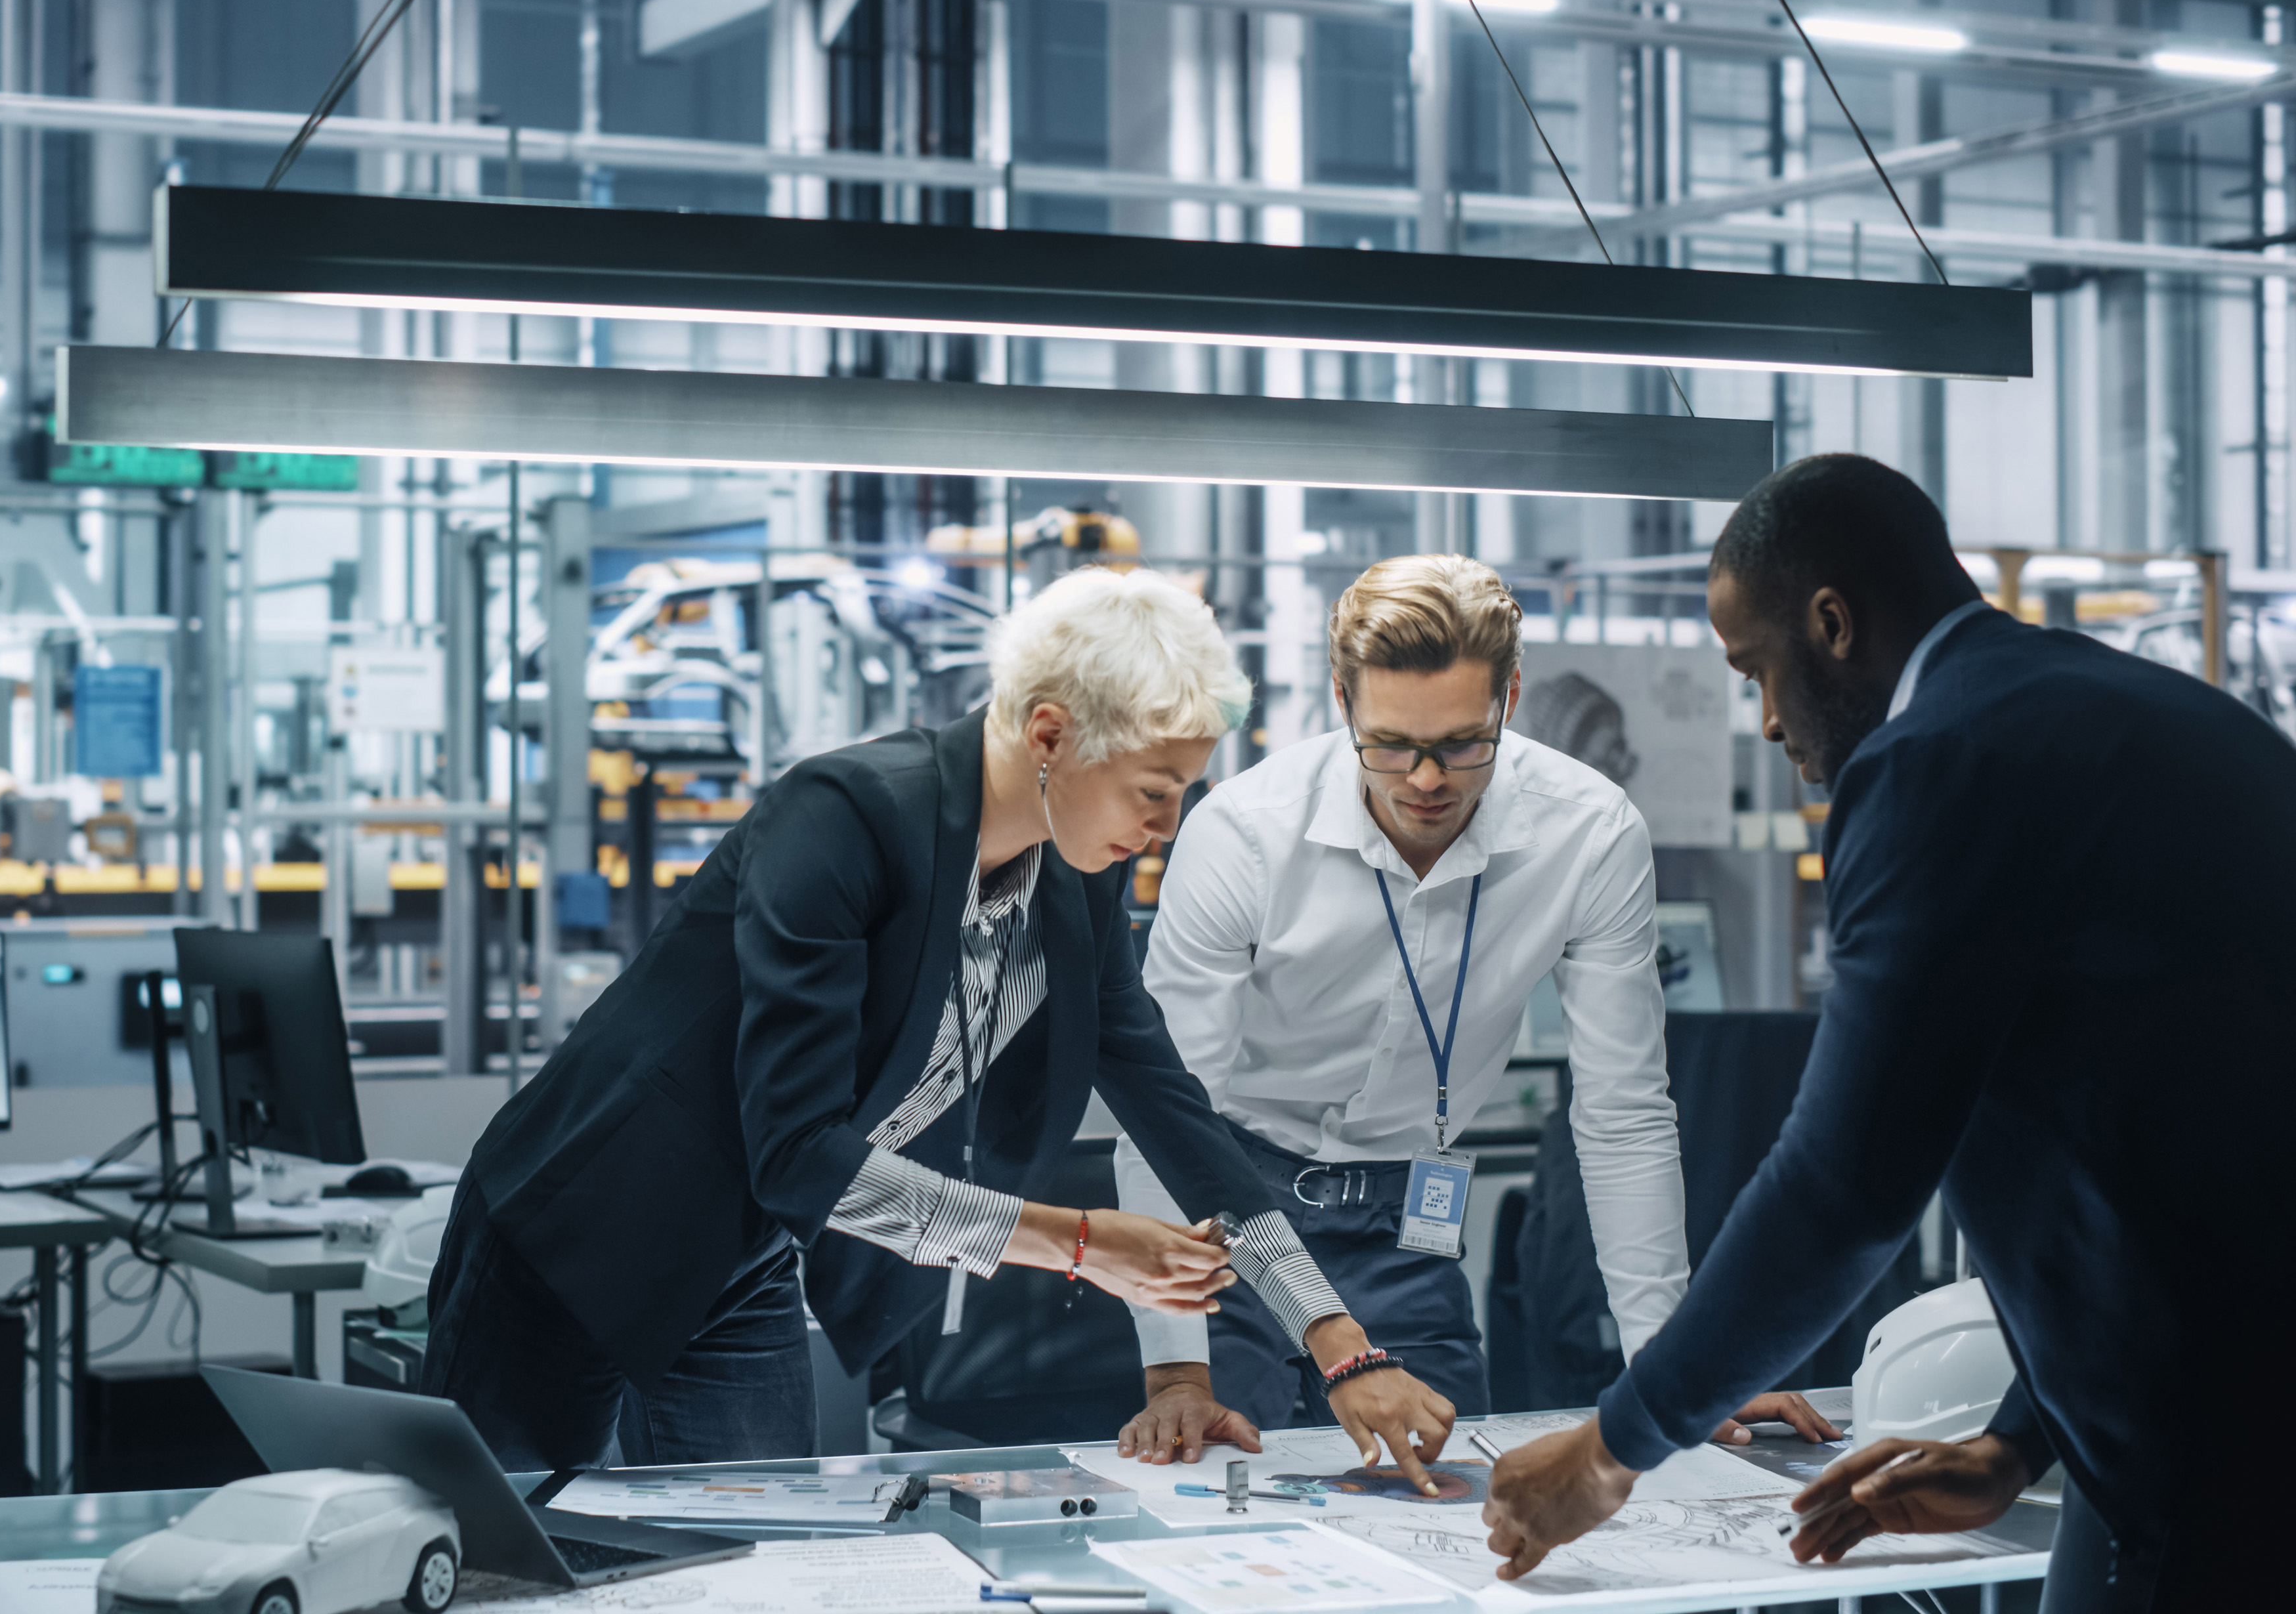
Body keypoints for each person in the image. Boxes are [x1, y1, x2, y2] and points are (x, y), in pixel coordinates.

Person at [421, 566, 1450, 1482]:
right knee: (498, 1551)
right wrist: (1083, 1245)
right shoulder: (845, 817)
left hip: (742, 1259)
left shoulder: (1073, 879)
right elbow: (797, 1154)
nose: (1167, 826)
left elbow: (1174, 1112)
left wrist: (1339, 1341)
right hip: (577, 1233)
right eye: (1153, 788)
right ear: (1050, 735)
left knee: (766, 1564)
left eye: (1183, 791)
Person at [1478, 455, 2290, 1607]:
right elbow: (2165, 1135)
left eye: (1758, 668)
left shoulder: (1935, 762)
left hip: (2221, 1458)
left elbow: (1846, 1183)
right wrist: (2023, 1440)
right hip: (2199, 1418)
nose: (1763, 720)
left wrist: (1617, 1447)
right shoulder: (2123, 714)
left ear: (1832, 623)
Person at [1114, 555, 1828, 1465]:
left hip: (1412, 1222)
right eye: (1389, 743)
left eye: (1461, 744)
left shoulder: (1589, 834)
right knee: (1224, 1501)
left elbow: (1622, 1114)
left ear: (1511, 697)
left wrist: (1679, 1366)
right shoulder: (1244, 834)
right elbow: (1166, 1120)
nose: (1423, 779)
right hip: (1228, 1221)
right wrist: (1176, 1372)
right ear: (1341, 700)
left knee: (1447, 1506)